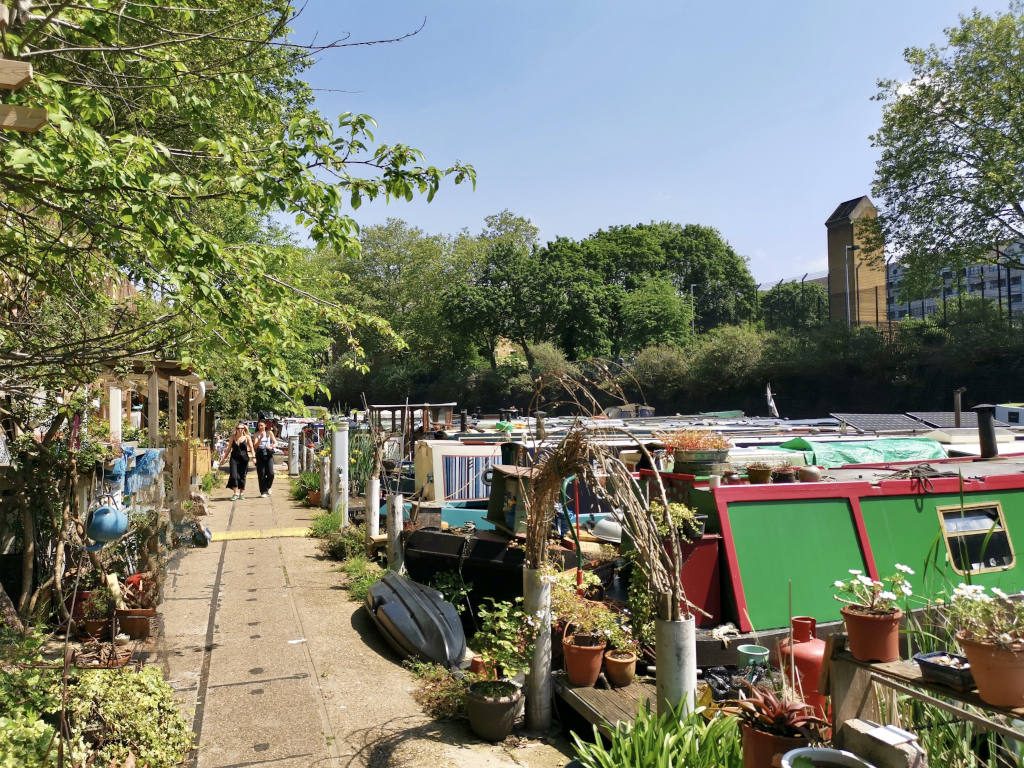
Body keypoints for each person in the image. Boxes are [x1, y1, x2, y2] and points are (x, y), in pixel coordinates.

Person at [221, 422, 255, 501]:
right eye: (238, 428)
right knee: (234, 475)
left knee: (242, 476)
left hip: (244, 459)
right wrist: (224, 458)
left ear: (244, 429)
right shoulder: (232, 437)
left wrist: (254, 457)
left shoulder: (247, 437)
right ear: (236, 429)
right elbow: (229, 448)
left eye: (241, 428)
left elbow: (252, 448)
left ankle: (241, 493)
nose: (240, 430)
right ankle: (235, 493)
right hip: (234, 458)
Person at [253, 420, 278, 498]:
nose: (260, 427)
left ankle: (268, 486)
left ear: (265, 426)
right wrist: (260, 438)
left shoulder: (269, 433)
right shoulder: (256, 434)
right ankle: (263, 491)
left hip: (268, 453)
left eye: (261, 425)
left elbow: (275, 442)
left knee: (271, 473)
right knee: (261, 474)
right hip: (260, 453)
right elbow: (255, 446)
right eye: (259, 426)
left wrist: (271, 446)